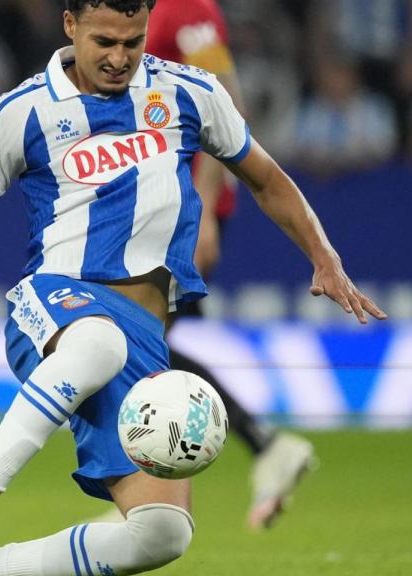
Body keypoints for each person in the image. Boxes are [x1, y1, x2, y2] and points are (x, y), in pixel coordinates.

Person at [0, 1, 387, 575]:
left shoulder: (190, 93)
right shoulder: (21, 111)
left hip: (144, 338)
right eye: (104, 41)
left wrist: (323, 256)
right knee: (98, 344)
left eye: (132, 43)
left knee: (162, 533)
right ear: (70, 26)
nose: (118, 58)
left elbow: (266, 178)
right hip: (58, 301)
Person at [142, 0, 318, 530]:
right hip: (155, 205)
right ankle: (262, 447)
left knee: (137, 349)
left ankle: (157, 504)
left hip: (184, 209)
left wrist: (205, 209)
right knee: (141, 351)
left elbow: (226, 102)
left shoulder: (187, 7)